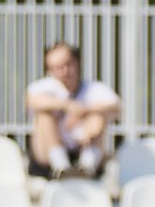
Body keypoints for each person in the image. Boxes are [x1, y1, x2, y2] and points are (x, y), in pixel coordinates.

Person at [25, 42, 121, 179]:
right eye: (56, 68)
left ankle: (87, 167)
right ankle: (61, 167)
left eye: (67, 65)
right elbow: (32, 101)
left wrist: (85, 112)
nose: (63, 72)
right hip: (47, 161)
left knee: (98, 117)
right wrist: (67, 106)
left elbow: (116, 106)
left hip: (83, 150)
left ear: (77, 63)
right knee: (44, 116)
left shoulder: (94, 88)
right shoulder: (44, 87)